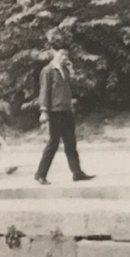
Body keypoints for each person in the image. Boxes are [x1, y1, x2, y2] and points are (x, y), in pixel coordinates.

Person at [34, 39, 94, 184]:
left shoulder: (64, 70)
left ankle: (77, 172)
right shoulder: (48, 71)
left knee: (71, 142)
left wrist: (71, 71)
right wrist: (44, 111)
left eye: (66, 55)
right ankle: (40, 174)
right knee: (53, 143)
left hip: (66, 110)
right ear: (54, 54)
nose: (64, 57)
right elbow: (44, 91)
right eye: (61, 54)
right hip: (55, 111)